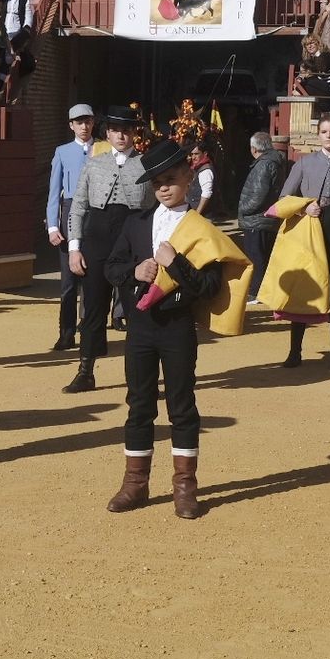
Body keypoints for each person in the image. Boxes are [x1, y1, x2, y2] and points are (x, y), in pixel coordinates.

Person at [101, 140, 238, 520]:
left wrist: (174, 264)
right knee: (138, 404)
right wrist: (134, 272)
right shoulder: (136, 222)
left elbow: (208, 289)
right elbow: (110, 267)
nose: (163, 188)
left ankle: (184, 487)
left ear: (188, 178)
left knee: (181, 406)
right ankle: (135, 483)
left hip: (178, 327)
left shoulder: (202, 230)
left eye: (171, 179)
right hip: (141, 329)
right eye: (156, 182)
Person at [63, 105, 148, 392]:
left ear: (134, 133)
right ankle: (85, 371)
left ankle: (139, 378)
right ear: (108, 133)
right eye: (115, 130)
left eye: (126, 130)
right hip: (96, 239)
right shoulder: (93, 165)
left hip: (132, 241)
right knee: (93, 308)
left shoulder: (146, 166)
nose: (121, 135)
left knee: (137, 311)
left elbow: (153, 212)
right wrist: (75, 248)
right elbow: (77, 209)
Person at [277, 113, 330, 372]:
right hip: (309, 226)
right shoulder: (304, 163)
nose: (328, 136)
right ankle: (295, 352)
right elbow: (284, 198)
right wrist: (304, 209)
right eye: (324, 132)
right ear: (318, 135)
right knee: (305, 284)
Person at [46, 103, 98, 353]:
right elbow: (53, 193)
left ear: (93, 122)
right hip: (69, 211)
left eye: (87, 121)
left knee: (91, 278)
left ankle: (88, 330)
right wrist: (53, 226)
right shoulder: (62, 152)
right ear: (71, 126)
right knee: (68, 282)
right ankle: (66, 333)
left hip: (96, 213)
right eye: (79, 122)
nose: (84, 126)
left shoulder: (102, 150)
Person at [237, 131, 286, 303]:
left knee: (256, 257)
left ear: (254, 149)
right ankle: (263, 290)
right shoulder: (274, 162)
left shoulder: (264, 164)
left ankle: (255, 292)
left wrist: (243, 209)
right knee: (263, 256)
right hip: (266, 218)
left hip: (257, 219)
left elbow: (258, 195)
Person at [294, 35, 330, 109]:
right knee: (297, 89)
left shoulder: (326, 55)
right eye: (307, 44)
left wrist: (306, 69)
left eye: (312, 43)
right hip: (321, 88)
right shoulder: (310, 59)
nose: (310, 46)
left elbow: (321, 68)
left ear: (318, 43)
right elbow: (303, 70)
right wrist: (299, 78)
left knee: (301, 88)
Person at [186, 141, 216, 216]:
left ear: (205, 154)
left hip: (204, 215)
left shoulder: (205, 170)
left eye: (196, 154)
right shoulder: (195, 168)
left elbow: (207, 193)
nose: (193, 157)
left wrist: (197, 213)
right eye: (192, 154)